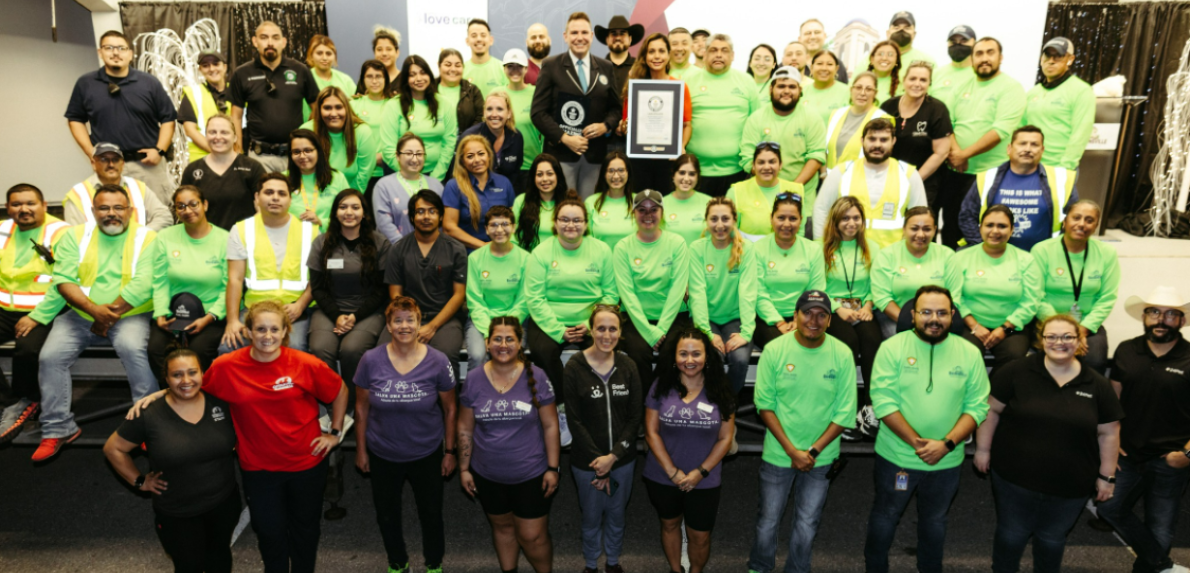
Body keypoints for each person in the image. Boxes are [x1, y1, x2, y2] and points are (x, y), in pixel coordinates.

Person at [133, 300, 349, 573]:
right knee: (270, 534)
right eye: (260, 329)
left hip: (306, 465)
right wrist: (158, 394)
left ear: (285, 332)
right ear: (248, 331)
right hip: (259, 470)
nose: (267, 336)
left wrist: (335, 433)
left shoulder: (304, 364)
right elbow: (191, 386)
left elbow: (340, 390)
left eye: (274, 329)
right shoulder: (227, 366)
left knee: (305, 531)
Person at [973, 314, 1122, 573]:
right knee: (1011, 535)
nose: (1059, 342)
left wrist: (1107, 476)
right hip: (1013, 478)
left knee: (1052, 540)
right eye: (1051, 336)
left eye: (1067, 337)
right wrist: (983, 449)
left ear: (1079, 341)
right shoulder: (1016, 371)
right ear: (1041, 341)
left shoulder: (1097, 384)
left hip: (1071, 484)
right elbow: (991, 410)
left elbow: (1110, 432)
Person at [864, 285, 990, 573]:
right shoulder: (892, 347)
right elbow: (883, 402)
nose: (934, 319)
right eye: (927, 312)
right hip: (897, 458)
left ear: (953, 315)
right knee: (886, 516)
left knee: (935, 520)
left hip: (947, 459)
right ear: (913, 315)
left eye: (942, 313)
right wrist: (918, 444)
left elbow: (977, 405)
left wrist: (945, 444)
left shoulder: (969, 352)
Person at [32, 185, 158, 462]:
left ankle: (148, 427)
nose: (111, 214)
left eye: (117, 208)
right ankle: (58, 428)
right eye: (104, 208)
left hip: (131, 314)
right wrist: (94, 312)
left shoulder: (148, 238)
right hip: (80, 315)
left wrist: (107, 315)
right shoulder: (74, 237)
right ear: (93, 211)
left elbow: (145, 283)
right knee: (50, 357)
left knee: (134, 350)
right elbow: (64, 280)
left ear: (130, 211)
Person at [103, 349, 240, 573]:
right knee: (189, 566)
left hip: (223, 503)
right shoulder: (149, 414)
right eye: (177, 375)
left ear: (202, 374)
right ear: (166, 379)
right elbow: (113, 449)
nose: (186, 380)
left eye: (192, 372)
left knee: (220, 557)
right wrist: (139, 481)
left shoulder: (222, 404)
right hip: (179, 512)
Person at [749, 290, 856, 573]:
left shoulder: (842, 353)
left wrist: (812, 451)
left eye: (822, 314)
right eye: (807, 312)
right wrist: (791, 451)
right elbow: (764, 405)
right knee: (768, 520)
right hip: (779, 453)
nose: (814, 320)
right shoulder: (775, 350)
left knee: (808, 522)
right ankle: (760, 567)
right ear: (795, 316)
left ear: (830, 321)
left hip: (820, 458)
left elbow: (844, 413)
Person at [353, 297, 458, 573]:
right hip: (382, 452)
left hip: (426, 452)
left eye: (410, 319)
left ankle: (434, 563)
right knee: (387, 515)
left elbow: (450, 409)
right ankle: (397, 563)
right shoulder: (370, 360)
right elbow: (361, 408)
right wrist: (361, 450)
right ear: (388, 325)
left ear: (419, 323)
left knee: (431, 514)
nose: (404, 325)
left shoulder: (438, 361)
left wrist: (450, 451)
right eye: (397, 320)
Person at [458, 317, 561, 573]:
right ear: (487, 342)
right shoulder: (473, 379)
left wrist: (553, 467)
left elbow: (551, 426)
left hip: (531, 473)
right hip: (488, 473)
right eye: (497, 339)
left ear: (520, 343)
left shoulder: (536, 376)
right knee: (503, 528)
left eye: (509, 339)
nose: (503, 345)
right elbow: (464, 428)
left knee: (532, 537)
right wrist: (463, 468)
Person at [1099, 286, 1190, 573]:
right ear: (1144, 316)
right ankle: (1162, 565)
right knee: (1109, 508)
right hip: (1127, 454)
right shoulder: (1127, 349)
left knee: (1161, 527)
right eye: (1154, 312)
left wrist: (1188, 454)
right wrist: (1111, 441)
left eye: (1171, 314)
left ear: (1182, 321)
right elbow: (1112, 400)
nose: (1161, 319)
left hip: (1171, 459)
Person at [645, 328, 735, 573]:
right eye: (683, 353)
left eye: (696, 353)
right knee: (670, 524)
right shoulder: (660, 386)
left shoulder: (720, 390)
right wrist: (673, 472)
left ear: (707, 357)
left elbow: (726, 438)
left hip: (704, 479)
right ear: (674, 357)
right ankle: (676, 569)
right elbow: (651, 432)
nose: (689, 360)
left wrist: (699, 473)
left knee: (700, 536)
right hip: (662, 475)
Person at [522, 194, 618, 425]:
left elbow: (611, 295)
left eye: (577, 220)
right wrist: (558, 330)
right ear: (555, 223)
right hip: (550, 318)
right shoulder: (541, 252)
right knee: (542, 351)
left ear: (586, 224)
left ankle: (595, 405)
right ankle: (563, 406)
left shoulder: (602, 250)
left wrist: (589, 325)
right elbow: (534, 297)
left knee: (606, 350)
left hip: (591, 321)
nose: (571, 225)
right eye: (564, 219)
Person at [563, 304, 643, 573]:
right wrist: (599, 462)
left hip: (622, 461)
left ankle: (612, 562)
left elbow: (635, 418)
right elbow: (574, 420)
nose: (606, 335)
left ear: (620, 332)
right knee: (591, 517)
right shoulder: (574, 366)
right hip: (587, 462)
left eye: (612, 329)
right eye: (600, 328)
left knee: (617, 515)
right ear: (591, 330)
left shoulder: (628, 366)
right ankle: (590, 564)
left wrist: (614, 457)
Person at [66, 30, 177, 204]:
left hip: (147, 165)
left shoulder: (149, 83)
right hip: (108, 167)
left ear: (130, 54)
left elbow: (168, 119)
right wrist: (92, 153)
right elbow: (75, 119)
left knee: (157, 216)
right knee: (112, 215)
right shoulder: (86, 83)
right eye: (109, 47)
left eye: (121, 48)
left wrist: (160, 150)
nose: (115, 53)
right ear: (100, 52)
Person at [0, 184, 70, 443]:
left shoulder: (61, 233)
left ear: (43, 205)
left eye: (30, 203)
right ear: (8, 208)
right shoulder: (2, 230)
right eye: (16, 204)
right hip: (5, 309)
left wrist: (37, 317)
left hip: (46, 310)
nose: (23, 209)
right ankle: (12, 403)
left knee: (27, 350)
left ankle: (28, 400)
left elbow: (64, 282)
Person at [307, 189, 390, 404]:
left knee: (352, 350)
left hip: (368, 310)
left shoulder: (380, 243)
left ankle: (352, 406)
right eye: (343, 207)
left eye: (355, 207)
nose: (349, 212)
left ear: (364, 213)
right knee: (319, 348)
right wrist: (337, 315)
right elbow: (317, 288)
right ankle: (329, 405)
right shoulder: (321, 243)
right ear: (335, 212)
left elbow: (382, 290)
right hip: (329, 309)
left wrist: (355, 316)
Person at [222, 174, 319, 354]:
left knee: (294, 348)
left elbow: (318, 277)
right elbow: (235, 278)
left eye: (282, 194)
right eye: (269, 192)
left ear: (290, 200)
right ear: (257, 198)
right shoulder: (241, 229)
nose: (275, 197)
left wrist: (300, 304)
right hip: (255, 309)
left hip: (294, 310)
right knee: (228, 347)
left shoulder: (310, 231)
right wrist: (232, 321)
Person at [944, 37, 1026, 248]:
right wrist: (956, 154)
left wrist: (964, 154)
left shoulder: (1011, 88)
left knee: (983, 230)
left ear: (1001, 58)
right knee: (951, 227)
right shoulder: (962, 86)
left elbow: (1000, 130)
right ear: (972, 59)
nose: (984, 58)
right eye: (979, 54)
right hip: (955, 171)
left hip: (990, 173)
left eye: (990, 53)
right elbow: (948, 123)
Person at [531, 12, 623, 197]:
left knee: (588, 210)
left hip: (594, 156)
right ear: (565, 37)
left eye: (583, 32)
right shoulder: (551, 66)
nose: (579, 38)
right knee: (564, 211)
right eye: (574, 33)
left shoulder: (605, 67)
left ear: (591, 36)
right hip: (561, 154)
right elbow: (538, 112)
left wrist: (605, 125)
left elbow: (616, 108)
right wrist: (564, 138)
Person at [147, 186, 229, 386]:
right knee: (156, 350)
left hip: (210, 315)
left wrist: (208, 319)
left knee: (199, 352)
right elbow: (159, 280)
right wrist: (160, 314)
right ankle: (171, 397)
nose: (188, 210)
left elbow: (231, 287)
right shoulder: (165, 237)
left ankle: (200, 398)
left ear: (205, 205)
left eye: (193, 204)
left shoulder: (225, 239)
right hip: (172, 313)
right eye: (181, 206)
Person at [950, 206, 1042, 375]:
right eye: (989, 225)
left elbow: (1031, 301)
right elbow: (953, 296)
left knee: (1014, 356)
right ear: (980, 228)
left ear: (1012, 229)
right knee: (965, 353)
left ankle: (996, 397)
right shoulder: (961, 258)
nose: (995, 231)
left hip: (1012, 327)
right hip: (968, 323)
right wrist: (974, 325)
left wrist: (1005, 329)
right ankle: (971, 396)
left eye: (1002, 226)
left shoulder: (1026, 260)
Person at [613, 189, 692, 384]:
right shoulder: (623, 247)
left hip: (673, 317)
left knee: (671, 353)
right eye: (642, 210)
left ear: (662, 213)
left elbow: (677, 289)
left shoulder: (677, 243)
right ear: (634, 214)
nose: (648, 215)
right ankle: (645, 406)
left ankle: (662, 402)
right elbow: (627, 294)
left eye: (653, 209)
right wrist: (649, 331)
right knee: (637, 354)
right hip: (636, 318)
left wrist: (661, 329)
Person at [820, 196, 883, 438]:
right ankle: (845, 410)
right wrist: (838, 308)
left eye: (856, 217)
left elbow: (877, 283)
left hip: (863, 308)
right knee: (847, 344)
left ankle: (869, 408)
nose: (851, 223)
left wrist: (868, 305)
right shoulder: (821, 248)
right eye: (845, 218)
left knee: (873, 342)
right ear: (835, 222)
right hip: (832, 310)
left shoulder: (873, 248)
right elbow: (818, 283)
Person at [1032, 200, 1119, 374]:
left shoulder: (1107, 253)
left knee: (1095, 359)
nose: (1082, 224)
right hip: (1047, 322)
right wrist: (1063, 332)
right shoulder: (1042, 250)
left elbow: (1107, 297)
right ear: (1065, 222)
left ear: (1095, 226)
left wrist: (1081, 331)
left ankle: (1085, 399)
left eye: (1089, 220)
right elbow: (1036, 295)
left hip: (1086, 324)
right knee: (1047, 362)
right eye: (1076, 218)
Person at [958, 126, 1078, 251]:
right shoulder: (988, 177)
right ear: (1009, 149)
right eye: (1022, 144)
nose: (1027, 149)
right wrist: (985, 248)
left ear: (1042, 150)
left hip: (1042, 259)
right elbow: (967, 216)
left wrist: (1056, 251)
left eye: (1034, 145)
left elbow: (1074, 219)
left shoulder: (1061, 179)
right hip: (996, 259)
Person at [384, 190, 468, 368]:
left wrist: (432, 326)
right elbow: (395, 294)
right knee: (384, 354)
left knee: (444, 356)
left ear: (440, 216)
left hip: (445, 319)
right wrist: (409, 323)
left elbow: (458, 295)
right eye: (420, 211)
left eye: (432, 211)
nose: (426, 216)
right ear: (412, 218)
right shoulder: (398, 249)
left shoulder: (456, 249)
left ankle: (444, 397)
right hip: (407, 316)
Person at [813, 118, 928, 247]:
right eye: (872, 139)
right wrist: (821, 247)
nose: (877, 145)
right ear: (862, 141)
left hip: (892, 257)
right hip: (848, 254)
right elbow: (821, 209)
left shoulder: (909, 174)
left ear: (893, 141)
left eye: (884, 140)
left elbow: (921, 219)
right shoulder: (841, 171)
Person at [228, 21, 320, 172]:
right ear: (255, 41)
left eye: (275, 38)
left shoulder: (300, 70)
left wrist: (308, 138)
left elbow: (316, 109)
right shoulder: (242, 73)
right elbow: (236, 116)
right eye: (264, 37)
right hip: (259, 157)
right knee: (263, 195)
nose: (270, 42)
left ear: (284, 42)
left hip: (296, 155)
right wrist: (237, 151)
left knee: (297, 196)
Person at [689, 197, 758, 395]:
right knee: (713, 357)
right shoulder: (697, 249)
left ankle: (728, 405)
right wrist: (707, 333)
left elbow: (748, 292)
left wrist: (746, 332)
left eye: (725, 219)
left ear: (734, 221)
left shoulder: (746, 249)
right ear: (706, 221)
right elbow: (697, 293)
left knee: (740, 360)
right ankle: (711, 406)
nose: (720, 225)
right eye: (714, 219)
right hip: (706, 320)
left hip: (735, 319)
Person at [614, 32, 694, 193]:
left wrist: (681, 147)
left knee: (666, 206)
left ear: (668, 55)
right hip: (639, 160)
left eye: (661, 51)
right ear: (644, 56)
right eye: (651, 52)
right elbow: (624, 125)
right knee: (641, 206)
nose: (656, 56)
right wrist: (623, 127)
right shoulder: (634, 87)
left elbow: (687, 125)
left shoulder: (679, 87)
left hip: (668, 160)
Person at [684, 33, 760, 196]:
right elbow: (678, 124)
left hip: (738, 170)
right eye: (713, 50)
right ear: (704, 54)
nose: (718, 55)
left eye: (724, 50)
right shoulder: (688, 81)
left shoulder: (746, 81)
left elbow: (757, 124)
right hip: (696, 171)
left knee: (733, 220)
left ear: (732, 56)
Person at [740, 67, 827, 203]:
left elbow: (816, 156)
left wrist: (791, 190)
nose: (786, 91)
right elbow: (747, 158)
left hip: (803, 198)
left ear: (800, 90)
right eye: (781, 86)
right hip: (762, 197)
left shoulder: (812, 118)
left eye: (792, 87)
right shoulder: (756, 118)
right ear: (771, 89)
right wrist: (771, 186)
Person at [869, 207, 959, 338]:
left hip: (938, 320)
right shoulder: (887, 255)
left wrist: (934, 321)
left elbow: (954, 297)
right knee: (908, 342)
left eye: (927, 229)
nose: (921, 235)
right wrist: (914, 322)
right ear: (904, 229)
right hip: (894, 317)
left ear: (935, 229)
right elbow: (881, 298)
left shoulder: (947, 255)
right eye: (914, 228)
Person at [752, 194, 826, 349]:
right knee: (783, 348)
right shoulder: (757, 249)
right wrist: (779, 322)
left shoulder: (813, 250)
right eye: (781, 218)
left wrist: (800, 320)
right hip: (767, 319)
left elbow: (816, 291)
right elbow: (759, 293)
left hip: (805, 316)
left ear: (801, 220)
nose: (787, 224)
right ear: (771, 218)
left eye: (793, 218)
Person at [879, 61, 953, 209]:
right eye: (912, 79)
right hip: (888, 181)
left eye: (923, 80)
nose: (917, 84)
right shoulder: (888, 106)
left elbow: (941, 153)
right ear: (903, 80)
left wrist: (913, 180)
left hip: (924, 182)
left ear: (929, 84)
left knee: (918, 229)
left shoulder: (937, 110)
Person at [465, 206, 530, 372]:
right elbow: (475, 300)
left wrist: (505, 330)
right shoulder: (475, 258)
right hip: (481, 322)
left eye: (505, 224)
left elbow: (524, 301)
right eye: (493, 225)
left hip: (516, 321)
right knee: (478, 355)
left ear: (514, 227)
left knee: (510, 352)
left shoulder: (526, 259)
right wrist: (490, 332)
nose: (499, 229)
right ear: (486, 229)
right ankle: (475, 397)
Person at [180, 114, 266, 230]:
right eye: (212, 132)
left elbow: (264, 208)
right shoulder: (192, 170)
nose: (218, 137)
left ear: (235, 137)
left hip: (243, 240)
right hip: (205, 240)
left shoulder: (252, 167)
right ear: (206, 136)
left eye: (224, 132)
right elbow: (184, 210)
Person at [1024, 37, 1096, 171]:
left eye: (1058, 56)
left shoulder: (1081, 91)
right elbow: (1021, 129)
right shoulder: (1032, 93)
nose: (1051, 61)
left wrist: (1065, 168)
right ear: (1041, 60)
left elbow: (1080, 133)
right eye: (1047, 56)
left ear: (1070, 59)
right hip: (1029, 166)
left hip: (1059, 168)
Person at [382, 55, 458, 180]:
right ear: (406, 79)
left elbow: (449, 144)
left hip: (437, 174)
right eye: (412, 75)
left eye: (423, 73)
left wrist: (435, 178)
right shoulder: (393, 105)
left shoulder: (445, 104)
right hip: (402, 176)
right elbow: (388, 149)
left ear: (429, 75)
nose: (419, 78)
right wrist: (411, 176)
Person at [65, 142, 172, 231]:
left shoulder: (138, 187)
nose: (111, 164)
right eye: (104, 159)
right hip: (97, 254)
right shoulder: (78, 194)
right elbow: (75, 235)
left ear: (123, 164)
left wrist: (142, 235)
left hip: (136, 253)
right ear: (93, 163)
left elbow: (164, 216)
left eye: (116, 159)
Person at [443, 135, 516, 250]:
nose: (477, 160)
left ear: (489, 156)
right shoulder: (453, 186)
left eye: (481, 154)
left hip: (501, 251)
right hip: (467, 254)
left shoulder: (504, 182)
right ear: (462, 161)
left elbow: (512, 222)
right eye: (470, 156)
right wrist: (483, 246)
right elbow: (449, 228)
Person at [300, 86, 379, 191]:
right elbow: (300, 172)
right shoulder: (306, 131)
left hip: (349, 196)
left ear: (347, 108)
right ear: (319, 109)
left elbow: (363, 175)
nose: (333, 114)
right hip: (314, 195)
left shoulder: (362, 132)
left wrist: (345, 201)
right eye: (327, 108)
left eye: (338, 107)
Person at [373, 133, 446, 242]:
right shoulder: (384, 186)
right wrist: (407, 250)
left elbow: (443, 222)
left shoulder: (436, 186)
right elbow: (384, 224)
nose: (415, 159)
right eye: (409, 153)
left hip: (432, 250)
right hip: (396, 252)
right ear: (397, 156)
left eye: (419, 154)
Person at [727, 143, 806, 240]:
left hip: (786, 251)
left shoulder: (796, 190)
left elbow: (800, 231)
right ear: (753, 165)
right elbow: (730, 232)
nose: (767, 167)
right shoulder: (736, 191)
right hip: (749, 252)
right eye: (761, 162)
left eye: (772, 162)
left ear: (780, 165)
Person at [285, 129, 351, 232]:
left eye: (308, 150)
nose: (302, 156)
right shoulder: (282, 180)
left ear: (318, 151)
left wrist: (321, 222)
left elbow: (349, 214)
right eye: (296, 152)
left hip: (329, 239)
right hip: (292, 240)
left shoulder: (336, 178)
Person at [823, 72, 889, 170]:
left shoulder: (882, 119)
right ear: (851, 90)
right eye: (858, 87)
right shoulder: (836, 114)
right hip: (830, 178)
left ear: (875, 93)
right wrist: (824, 174)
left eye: (869, 89)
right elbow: (823, 149)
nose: (862, 93)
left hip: (861, 181)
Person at [178, 51, 233, 164]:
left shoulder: (238, 91)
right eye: (205, 66)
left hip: (235, 159)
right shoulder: (192, 93)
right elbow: (190, 130)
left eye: (216, 64)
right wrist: (219, 154)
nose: (211, 69)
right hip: (203, 162)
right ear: (200, 70)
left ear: (225, 67)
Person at [503, 49, 546, 187]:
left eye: (519, 66)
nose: (515, 70)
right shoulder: (497, 94)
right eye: (510, 66)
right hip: (503, 165)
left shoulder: (536, 93)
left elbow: (545, 128)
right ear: (503, 69)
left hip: (531, 165)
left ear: (526, 69)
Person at [462, 90, 525, 184]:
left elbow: (515, 173)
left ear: (508, 113)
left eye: (500, 109)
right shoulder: (470, 137)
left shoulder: (516, 137)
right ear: (484, 112)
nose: (494, 114)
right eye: (489, 109)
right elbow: (460, 175)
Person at [513, 154, 567, 251]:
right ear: (533, 178)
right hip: (528, 260)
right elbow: (513, 237)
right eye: (539, 174)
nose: (545, 179)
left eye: (550, 174)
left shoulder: (569, 203)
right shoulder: (521, 201)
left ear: (558, 176)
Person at [586, 152, 636, 248]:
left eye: (621, 170)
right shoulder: (591, 202)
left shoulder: (639, 201)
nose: (616, 176)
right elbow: (585, 240)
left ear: (628, 173)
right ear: (604, 174)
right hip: (600, 261)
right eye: (611, 171)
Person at [663, 155, 711, 245]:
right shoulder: (660, 205)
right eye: (682, 173)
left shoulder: (710, 203)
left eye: (692, 174)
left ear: (698, 176)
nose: (686, 178)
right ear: (673, 174)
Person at [597, 15, 644, 103]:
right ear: (607, 39)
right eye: (613, 33)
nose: (618, 37)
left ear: (630, 39)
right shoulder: (597, 68)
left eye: (622, 33)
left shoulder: (640, 67)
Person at [438, 48, 486, 134]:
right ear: (439, 65)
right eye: (448, 65)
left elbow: (480, 118)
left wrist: (465, 138)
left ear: (463, 67)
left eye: (457, 65)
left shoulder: (473, 91)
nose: (453, 69)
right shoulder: (429, 90)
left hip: (467, 142)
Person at [932, 26, 977, 107]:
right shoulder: (935, 74)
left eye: (964, 40)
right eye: (953, 41)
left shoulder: (980, 75)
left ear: (975, 44)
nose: (958, 44)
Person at [801, 50, 850, 123]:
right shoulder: (802, 92)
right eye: (819, 64)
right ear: (811, 68)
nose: (824, 68)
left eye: (829, 64)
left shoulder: (848, 92)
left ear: (836, 69)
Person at [462, 19, 507, 97]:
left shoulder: (503, 69)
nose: (479, 39)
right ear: (467, 41)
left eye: (483, 35)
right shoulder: (461, 70)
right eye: (474, 36)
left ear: (491, 40)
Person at [799, 19, 848, 83]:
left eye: (817, 32)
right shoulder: (788, 64)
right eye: (808, 33)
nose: (812, 37)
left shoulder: (837, 64)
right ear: (799, 39)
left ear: (824, 36)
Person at [352, 59, 395, 126]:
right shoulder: (353, 104)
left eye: (378, 76)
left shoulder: (395, 104)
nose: (374, 81)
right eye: (369, 76)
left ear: (385, 79)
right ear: (363, 80)